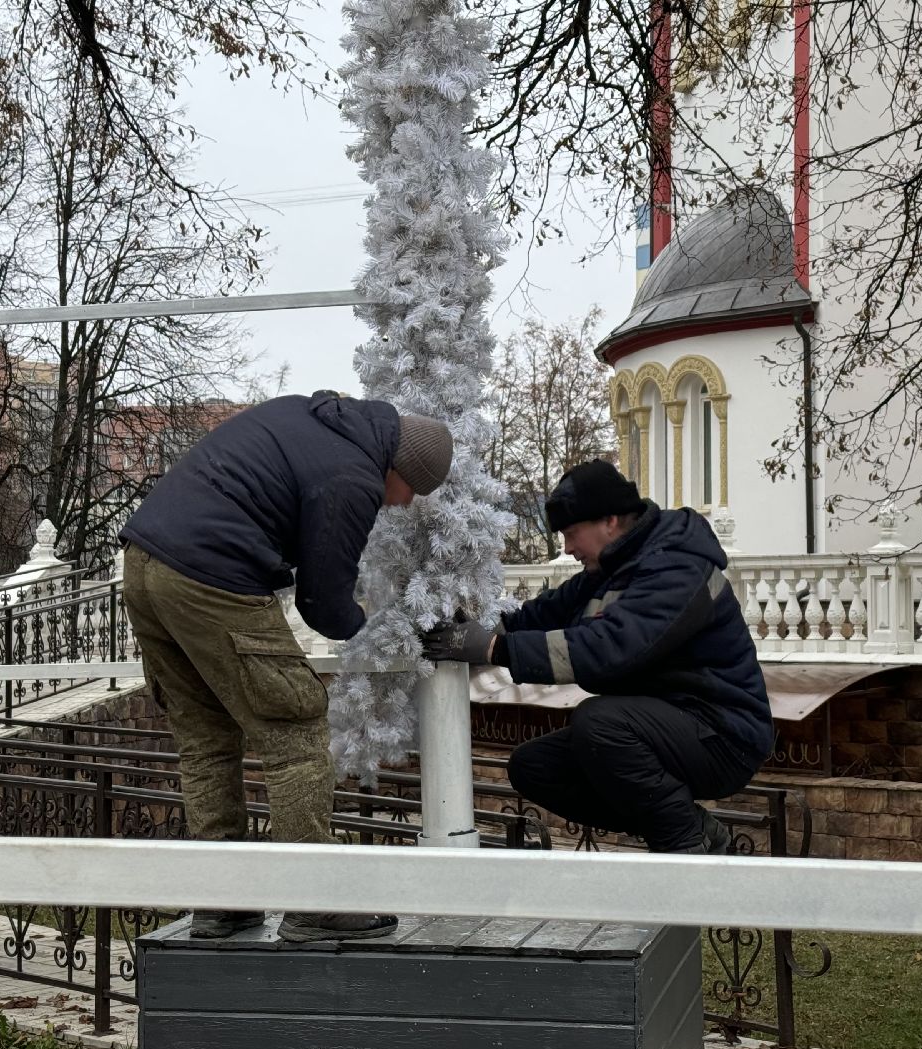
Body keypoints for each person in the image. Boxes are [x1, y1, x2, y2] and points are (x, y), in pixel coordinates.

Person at [120, 390, 452, 940]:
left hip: (143, 565)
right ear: (399, 467)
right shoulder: (355, 477)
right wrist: (376, 626)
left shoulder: (309, 416)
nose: (402, 504)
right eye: (410, 490)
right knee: (294, 725)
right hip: (212, 574)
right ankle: (314, 901)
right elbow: (321, 603)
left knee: (206, 736)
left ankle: (222, 903)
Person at [422, 460, 772, 854]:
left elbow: (609, 648)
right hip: (667, 724)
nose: (568, 549)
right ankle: (686, 824)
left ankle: (684, 845)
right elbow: (538, 615)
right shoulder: (613, 568)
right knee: (534, 767)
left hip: (724, 734)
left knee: (599, 722)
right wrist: (468, 625)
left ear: (609, 520)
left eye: (572, 534)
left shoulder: (677, 567)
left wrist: (491, 648)